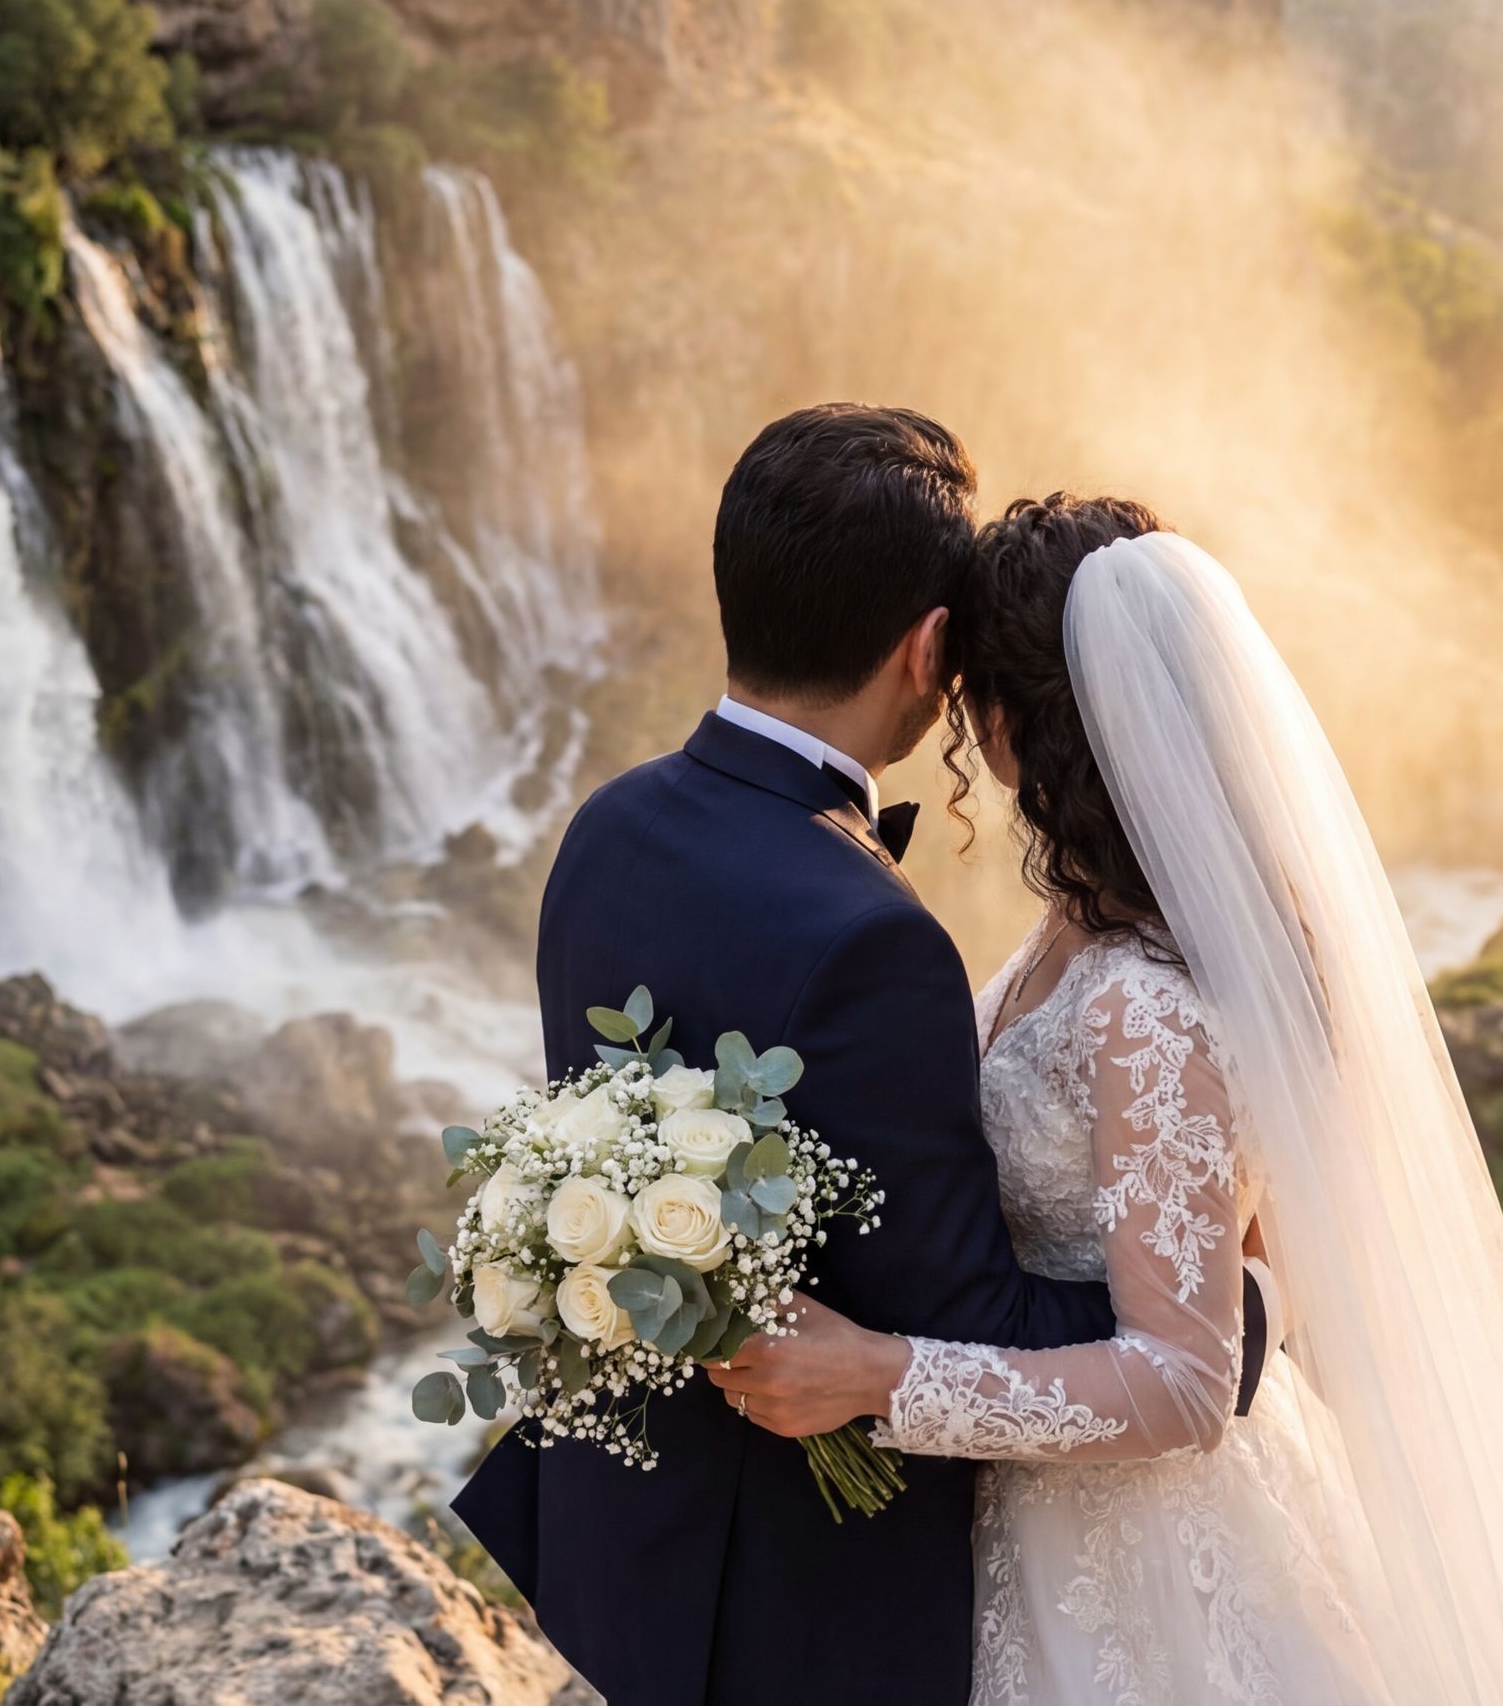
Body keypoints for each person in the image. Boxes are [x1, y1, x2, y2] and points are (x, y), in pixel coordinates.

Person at [704, 495, 1503, 1705]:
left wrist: (880, 1373)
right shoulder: (1084, 931)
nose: (960, 729)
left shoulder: (1146, 1002)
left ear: (1029, 723)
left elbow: (1185, 1381)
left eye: (975, 698)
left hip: (1152, 1563)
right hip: (1027, 1519)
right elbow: (1244, 1245)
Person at [453, 411, 1266, 1706]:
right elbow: (964, 1315)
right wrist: (1247, 1318)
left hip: (633, 1538)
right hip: (805, 1601)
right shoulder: (876, 941)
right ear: (930, 648)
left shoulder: (606, 830)